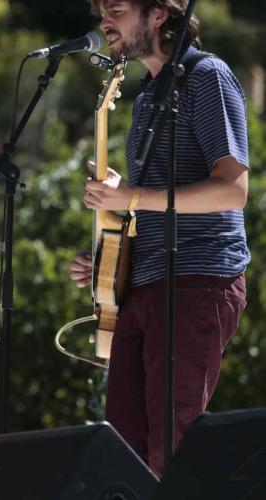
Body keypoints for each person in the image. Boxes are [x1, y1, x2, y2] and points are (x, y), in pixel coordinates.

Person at [69, 0, 249, 476]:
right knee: (121, 451)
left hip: (198, 279)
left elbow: (232, 190)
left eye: (117, 9)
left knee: (173, 449)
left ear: (158, 15)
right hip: (143, 285)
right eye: (102, 12)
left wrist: (132, 195)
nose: (104, 21)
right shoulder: (148, 96)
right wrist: (111, 258)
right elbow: (148, 204)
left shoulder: (206, 76)